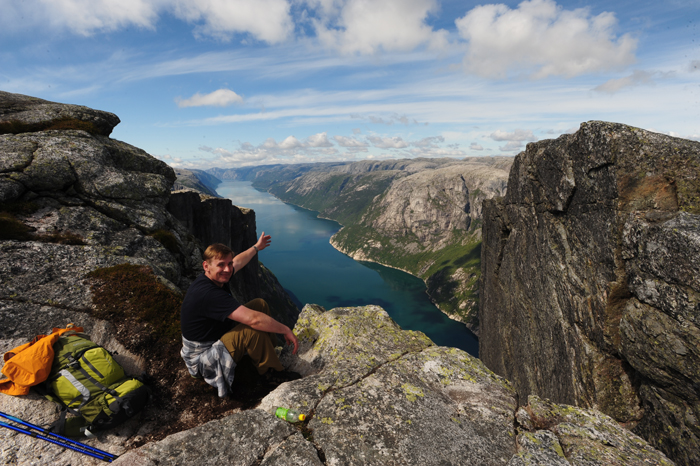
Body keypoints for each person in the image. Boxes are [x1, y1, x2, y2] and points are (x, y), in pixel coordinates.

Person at [180, 234, 300, 397]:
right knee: (253, 329)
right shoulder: (208, 294)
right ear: (206, 266)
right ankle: (271, 375)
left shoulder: (215, 277)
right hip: (202, 360)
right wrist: (285, 329)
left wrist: (256, 247)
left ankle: (267, 353)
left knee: (260, 304)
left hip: (214, 337)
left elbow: (238, 261)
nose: (228, 269)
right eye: (221, 265)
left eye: (229, 264)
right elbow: (254, 320)